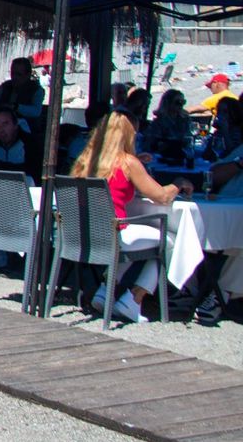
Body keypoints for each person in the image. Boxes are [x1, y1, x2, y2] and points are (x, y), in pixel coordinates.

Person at [70, 113, 192, 323]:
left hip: (84, 232)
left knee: (137, 240)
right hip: (113, 231)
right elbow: (162, 196)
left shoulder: (85, 159)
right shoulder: (127, 162)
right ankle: (135, 298)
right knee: (169, 241)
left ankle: (105, 290)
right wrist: (179, 182)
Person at [141, 89, 192, 161]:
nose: (181, 105)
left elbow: (189, 138)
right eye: (178, 102)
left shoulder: (185, 119)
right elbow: (151, 144)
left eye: (183, 102)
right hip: (162, 157)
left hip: (182, 155)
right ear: (168, 103)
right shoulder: (158, 122)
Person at [0, 106, 29, 171]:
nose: (1, 129)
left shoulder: (30, 144)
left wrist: (0, 165)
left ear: (15, 124)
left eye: (5, 124)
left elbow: (33, 170)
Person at [201, 96, 243, 164]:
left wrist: (225, 131)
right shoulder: (218, 132)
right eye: (219, 111)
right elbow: (206, 154)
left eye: (225, 112)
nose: (221, 114)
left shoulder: (238, 131)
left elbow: (234, 153)